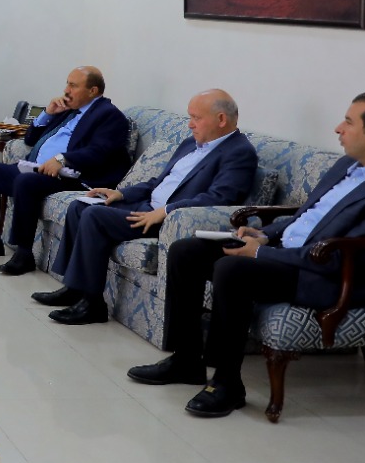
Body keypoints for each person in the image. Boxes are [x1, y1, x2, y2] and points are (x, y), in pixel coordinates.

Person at [127, 91, 365, 417]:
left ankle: (227, 384)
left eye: (349, 122)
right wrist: (266, 235)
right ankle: (186, 360)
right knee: (187, 251)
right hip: (295, 253)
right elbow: (309, 215)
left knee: (232, 269)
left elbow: (338, 259)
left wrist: (260, 254)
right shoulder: (348, 165)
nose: (338, 128)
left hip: (330, 275)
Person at [35, 90, 258, 325]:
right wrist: (121, 193)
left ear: (221, 119)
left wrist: (166, 211)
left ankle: (93, 305)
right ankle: (74, 288)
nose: (190, 124)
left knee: (94, 215)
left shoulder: (239, 153)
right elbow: (157, 182)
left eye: (196, 118)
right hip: (146, 205)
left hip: (168, 222)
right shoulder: (191, 143)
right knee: (79, 206)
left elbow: (219, 198)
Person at [0, 66, 131, 275]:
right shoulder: (68, 110)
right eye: (67, 84)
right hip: (38, 169)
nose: (66, 90)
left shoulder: (109, 116)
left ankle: (24, 254)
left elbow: (100, 152)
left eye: (73, 86)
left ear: (93, 91)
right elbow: (30, 139)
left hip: (72, 177)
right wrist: (47, 114)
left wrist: (62, 159)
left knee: (26, 182)